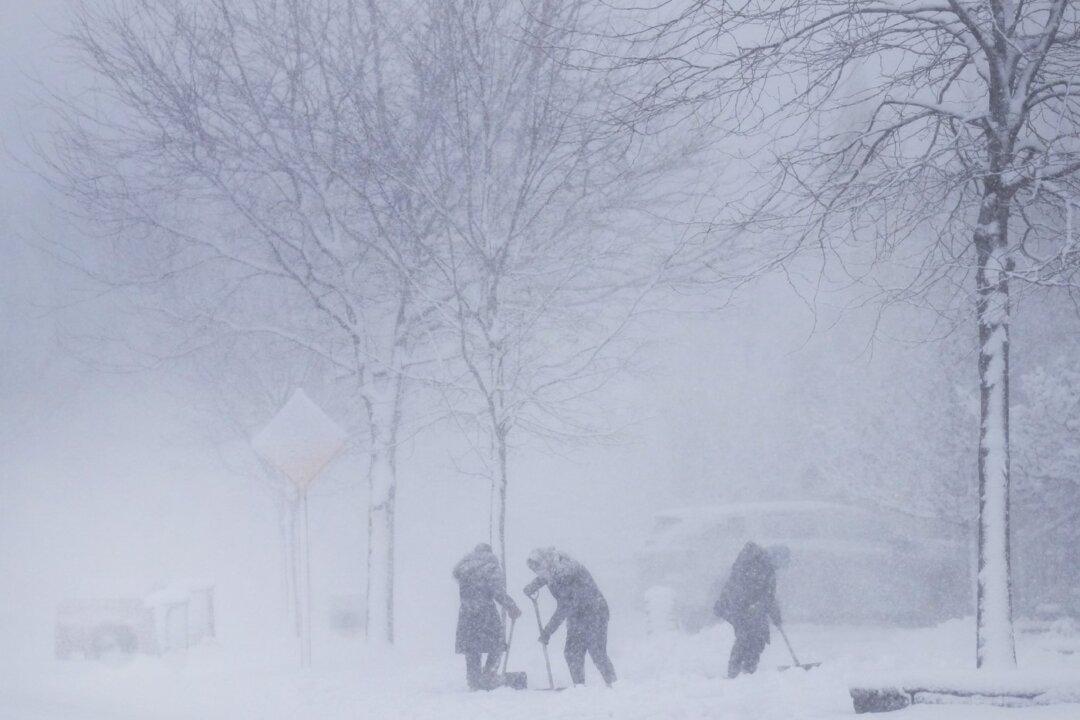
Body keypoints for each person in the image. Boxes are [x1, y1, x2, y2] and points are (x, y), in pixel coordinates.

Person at [523, 547, 617, 686]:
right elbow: (547, 576)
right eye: (535, 571)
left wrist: (547, 632)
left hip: (594, 612)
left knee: (597, 653)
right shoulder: (554, 566)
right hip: (577, 614)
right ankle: (580, 689)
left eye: (539, 569)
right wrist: (533, 585)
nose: (538, 573)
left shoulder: (565, 572)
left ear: (545, 562)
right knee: (572, 653)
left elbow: (564, 607)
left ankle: (615, 686)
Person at [713, 541, 790, 678]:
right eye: (781, 563)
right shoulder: (756, 566)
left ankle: (747, 671)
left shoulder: (767, 569)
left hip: (748, 609)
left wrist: (775, 615)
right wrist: (752, 608)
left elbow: (768, 596)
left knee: (757, 637)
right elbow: (742, 591)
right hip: (737, 607)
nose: (780, 568)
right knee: (746, 637)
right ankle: (736, 672)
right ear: (775, 558)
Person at [453, 543, 521, 690]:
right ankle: (489, 676)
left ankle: (474, 681)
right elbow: (497, 592)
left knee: (472, 648)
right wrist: (511, 607)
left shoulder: (464, 568)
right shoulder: (491, 567)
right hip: (485, 613)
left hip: (466, 613)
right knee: (497, 643)